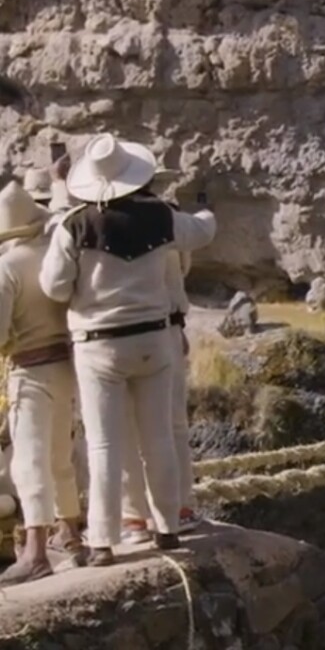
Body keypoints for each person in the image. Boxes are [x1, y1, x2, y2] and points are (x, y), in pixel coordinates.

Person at [40, 134, 217, 566]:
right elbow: (203, 231)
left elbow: (54, 287)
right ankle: (168, 528)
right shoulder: (161, 216)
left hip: (100, 345)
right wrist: (208, 207)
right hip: (154, 338)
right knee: (158, 436)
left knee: (104, 445)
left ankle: (102, 538)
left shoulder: (74, 226)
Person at [0, 178, 84, 584]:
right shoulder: (52, 254)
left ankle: (35, 552)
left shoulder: (6, 267)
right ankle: (71, 533)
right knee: (60, 457)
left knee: (28, 463)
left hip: (29, 371)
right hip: (67, 364)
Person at [121, 166, 201, 544]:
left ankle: (135, 518)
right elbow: (183, 270)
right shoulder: (167, 217)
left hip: (126, 333)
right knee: (171, 426)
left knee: (128, 429)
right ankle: (179, 508)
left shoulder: (103, 219)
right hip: (166, 327)